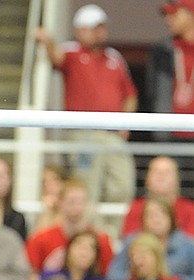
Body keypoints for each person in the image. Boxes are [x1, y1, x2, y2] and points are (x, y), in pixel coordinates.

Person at [35, 4, 138, 212]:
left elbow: (130, 95)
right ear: (80, 30)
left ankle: (109, 237)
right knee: (86, 190)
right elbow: (56, 57)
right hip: (83, 134)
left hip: (112, 135)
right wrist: (47, 40)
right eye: (94, 27)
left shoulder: (114, 58)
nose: (100, 32)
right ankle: (88, 238)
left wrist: (126, 122)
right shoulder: (71, 52)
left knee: (122, 187)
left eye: (102, 27)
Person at [25, 178, 114, 278]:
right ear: (60, 203)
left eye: (82, 202)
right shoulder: (40, 239)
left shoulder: (101, 241)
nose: (77, 207)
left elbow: (106, 276)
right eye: (72, 202)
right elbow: (31, 275)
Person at [110, 197, 194, 280]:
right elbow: (113, 274)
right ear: (143, 219)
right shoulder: (132, 242)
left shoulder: (186, 245)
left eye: (162, 214)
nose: (156, 219)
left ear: (171, 217)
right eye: (151, 215)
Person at [147, 0, 194, 142]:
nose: (168, 20)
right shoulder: (162, 50)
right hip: (169, 134)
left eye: (174, 14)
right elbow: (152, 93)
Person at [121, 156, 194, 238]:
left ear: (177, 179)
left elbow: (191, 242)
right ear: (147, 178)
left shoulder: (189, 209)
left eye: (167, 172)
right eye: (156, 171)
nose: (161, 177)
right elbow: (129, 239)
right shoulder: (136, 207)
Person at [32, 164, 67, 233]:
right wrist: (47, 211)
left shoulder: (71, 209)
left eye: (53, 180)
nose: (48, 185)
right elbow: (39, 238)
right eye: (44, 182)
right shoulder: (42, 208)